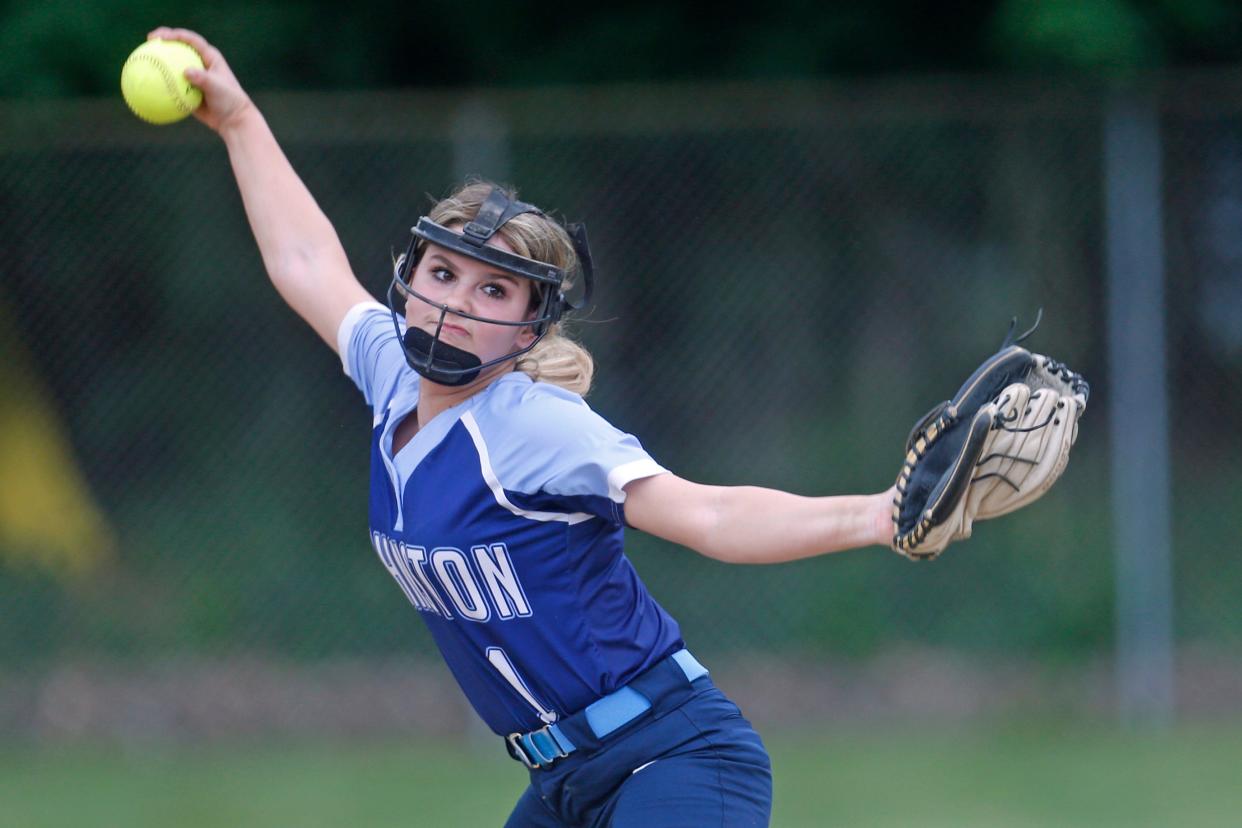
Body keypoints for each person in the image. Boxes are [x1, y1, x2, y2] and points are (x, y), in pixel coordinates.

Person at [154, 26, 897, 828]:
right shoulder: (390, 377)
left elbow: (707, 514)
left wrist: (879, 515)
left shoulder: (532, 425)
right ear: (408, 282)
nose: (457, 303)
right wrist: (238, 121)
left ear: (529, 330)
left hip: (670, 756)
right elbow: (304, 262)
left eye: (494, 291)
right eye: (443, 273)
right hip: (559, 785)